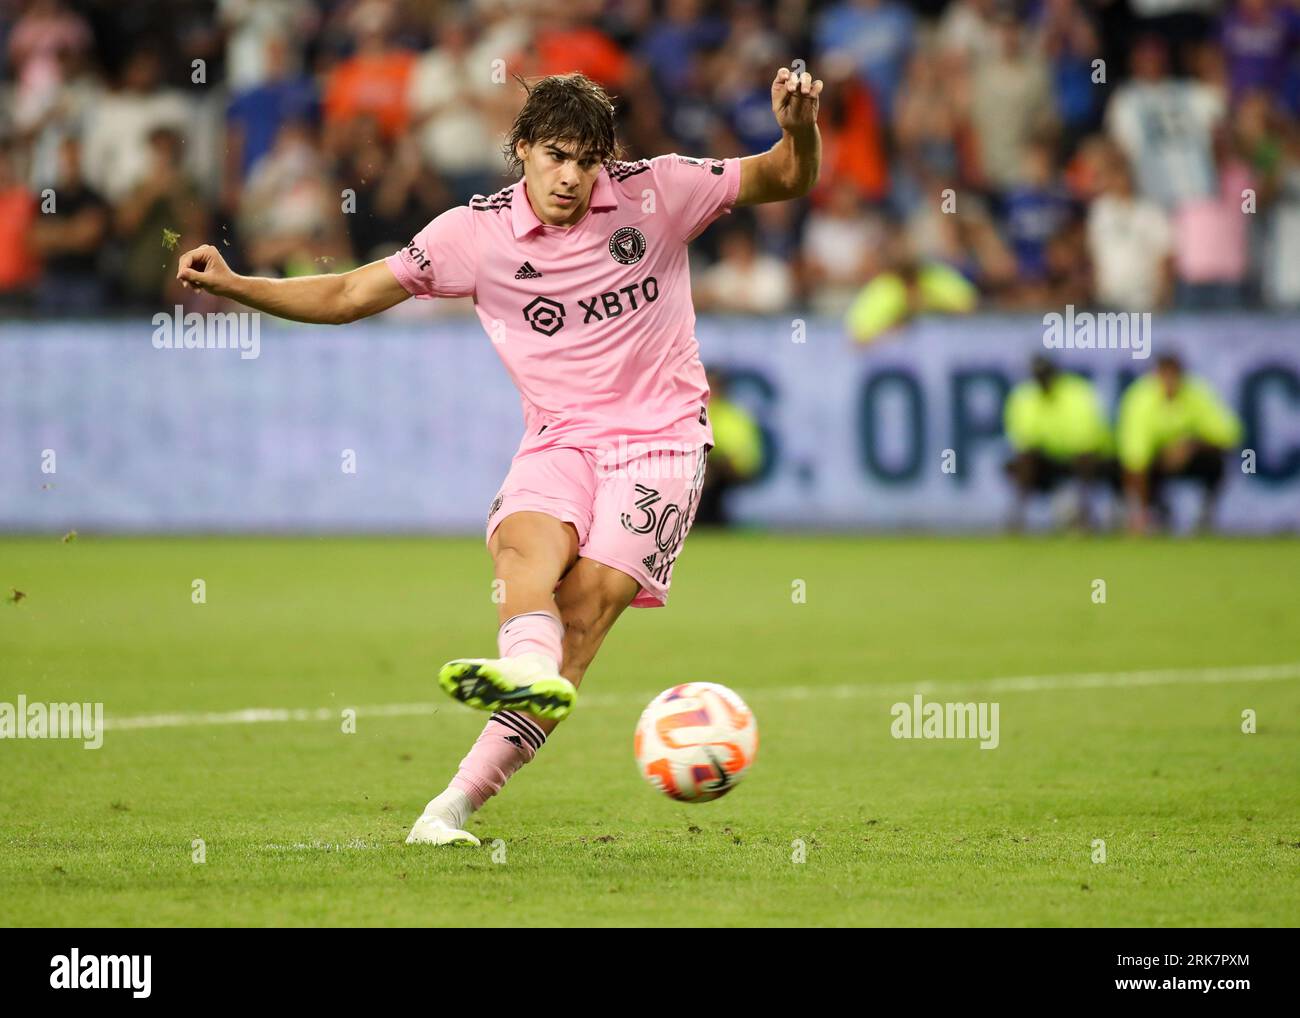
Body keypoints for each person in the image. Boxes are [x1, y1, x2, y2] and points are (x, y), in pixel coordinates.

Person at [175, 68, 823, 846]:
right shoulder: (472, 235)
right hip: (558, 438)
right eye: (555, 155)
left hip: (658, 444)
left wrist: (798, 128)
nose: (572, 176)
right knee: (522, 548)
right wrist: (241, 285)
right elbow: (349, 297)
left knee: (581, 611)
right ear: (521, 151)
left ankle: (451, 804)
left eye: (588, 161)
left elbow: (785, 177)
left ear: (607, 163)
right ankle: (524, 674)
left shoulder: (661, 191)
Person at [1116, 353, 1243, 533]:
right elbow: (1135, 460)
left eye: (1174, 375)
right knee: (1129, 469)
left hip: (1190, 459)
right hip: (1155, 464)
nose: (1170, 382)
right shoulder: (1139, 399)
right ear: (1156, 375)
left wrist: (1191, 445)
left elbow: (1230, 436)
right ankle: (1149, 514)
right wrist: (1140, 514)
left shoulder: (1197, 393)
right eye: (1165, 375)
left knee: (1217, 461)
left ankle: (1205, 516)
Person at [1003, 355, 1115, 531]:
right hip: (1047, 460)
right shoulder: (1024, 398)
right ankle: (1016, 519)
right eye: (1039, 375)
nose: (1043, 380)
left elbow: (1087, 442)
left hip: (1078, 458)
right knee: (1024, 461)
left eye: (1046, 374)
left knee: (1086, 460)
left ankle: (1084, 514)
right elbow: (1024, 442)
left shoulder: (1077, 393)